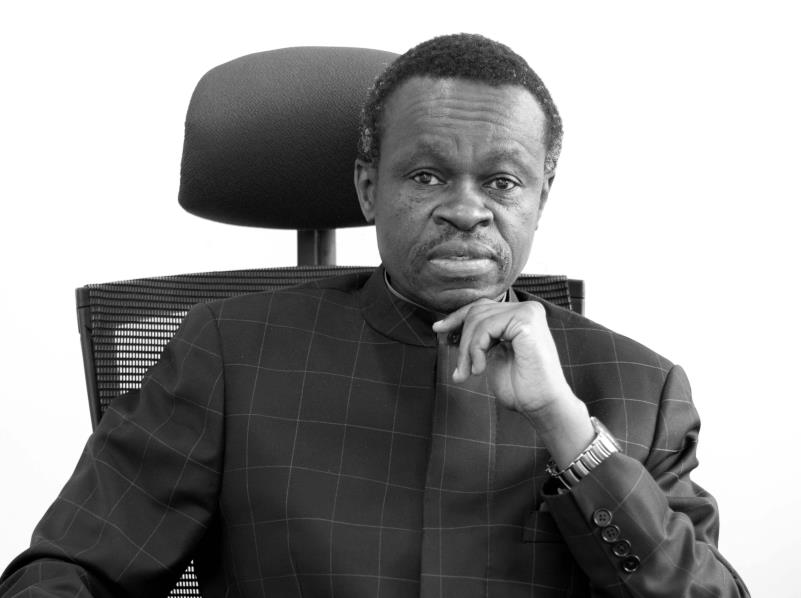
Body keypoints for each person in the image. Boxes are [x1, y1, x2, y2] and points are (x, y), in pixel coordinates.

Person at [0, 33, 749, 597]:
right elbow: (72, 570)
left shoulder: (641, 389)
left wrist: (570, 434)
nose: (466, 209)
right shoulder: (227, 353)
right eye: (426, 175)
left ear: (540, 196)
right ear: (368, 187)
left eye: (502, 181)